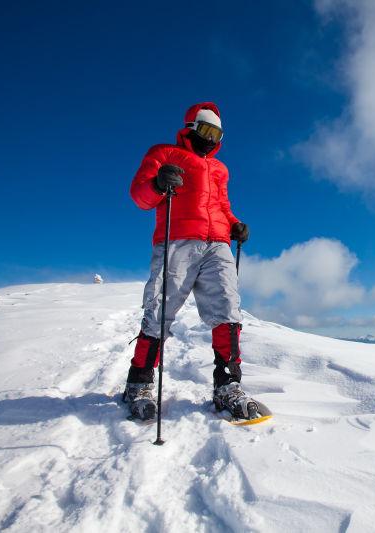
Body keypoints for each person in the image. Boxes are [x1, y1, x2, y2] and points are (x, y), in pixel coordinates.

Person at [123, 102, 256, 421]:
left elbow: (222, 205)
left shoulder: (221, 169)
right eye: (207, 131)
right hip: (177, 239)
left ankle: (227, 386)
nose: (212, 139)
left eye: (218, 133)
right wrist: (158, 183)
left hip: (219, 244)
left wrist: (235, 223)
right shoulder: (164, 153)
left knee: (228, 310)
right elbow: (140, 196)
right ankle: (138, 383)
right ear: (191, 128)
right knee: (160, 309)